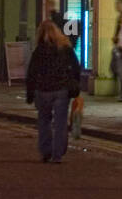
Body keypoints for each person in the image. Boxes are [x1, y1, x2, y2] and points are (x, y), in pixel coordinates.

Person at [26, 19, 81, 163]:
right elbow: (76, 68)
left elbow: (31, 73)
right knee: (60, 123)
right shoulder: (65, 48)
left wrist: (30, 93)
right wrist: (75, 85)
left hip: (42, 90)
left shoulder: (39, 51)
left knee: (44, 121)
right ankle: (57, 154)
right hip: (61, 90)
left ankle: (46, 151)